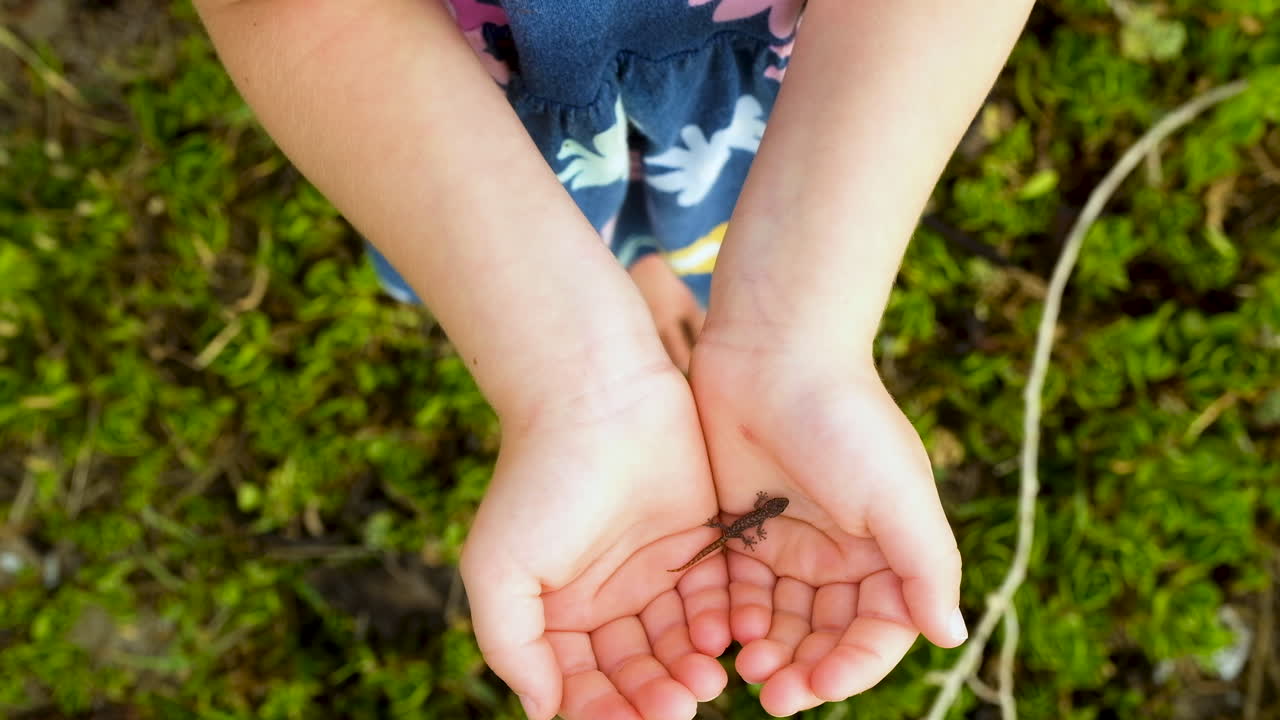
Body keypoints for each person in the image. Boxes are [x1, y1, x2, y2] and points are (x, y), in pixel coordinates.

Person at [192, 1, 1035, 717]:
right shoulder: (750, 519)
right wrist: (568, 376)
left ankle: (646, 268)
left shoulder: (748, 519)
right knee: (588, 199)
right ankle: (622, 278)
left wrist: (803, 334)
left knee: (700, 191)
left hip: (772, 83)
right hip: (457, 111)